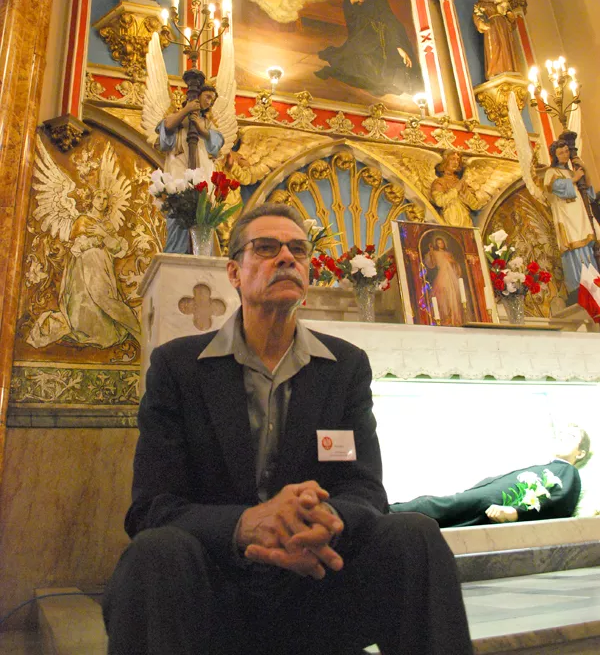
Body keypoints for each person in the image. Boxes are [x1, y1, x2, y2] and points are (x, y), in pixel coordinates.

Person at [103, 203, 473, 655]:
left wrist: (326, 524)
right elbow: (152, 508)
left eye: (298, 249)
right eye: (265, 248)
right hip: (214, 587)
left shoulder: (345, 367)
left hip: (316, 584)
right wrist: (246, 525)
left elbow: (365, 490)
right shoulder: (178, 367)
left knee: (415, 535)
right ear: (234, 273)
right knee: (156, 552)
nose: (286, 257)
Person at [390, 425, 589, 527]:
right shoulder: (548, 467)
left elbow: (560, 504)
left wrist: (515, 512)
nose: (562, 438)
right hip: (490, 497)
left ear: (580, 453)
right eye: (561, 434)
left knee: (437, 506)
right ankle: (386, 516)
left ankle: (383, 512)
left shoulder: (568, 472)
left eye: (571, 437)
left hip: (499, 502)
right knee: (444, 510)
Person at [27, 189, 140, 348]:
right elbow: (76, 247)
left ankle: (106, 329)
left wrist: (103, 234)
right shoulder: (82, 220)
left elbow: (118, 248)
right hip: (83, 267)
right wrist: (94, 243)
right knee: (87, 299)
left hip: (103, 266)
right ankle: (88, 329)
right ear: (91, 199)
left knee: (103, 297)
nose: (101, 201)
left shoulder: (107, 224)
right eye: (98, 197)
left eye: (105, 198)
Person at [316, 0, 421, 97]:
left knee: (367, 61)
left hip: (377, 34)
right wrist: (351, 1)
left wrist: (398, 46)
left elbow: (388, 18)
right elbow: (351, 12)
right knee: (356, 57)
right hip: (363, 33)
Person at [156, 85, 224, 254]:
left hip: (202, 175)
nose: (210, 102)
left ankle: (201, 256)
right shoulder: (177, 120)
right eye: (207, 96)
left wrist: (200, 128)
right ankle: (175, 255)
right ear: (198, 95)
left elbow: (216, 143)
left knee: (202, 223)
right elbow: (166, 130)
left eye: (212, 99)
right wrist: (186, 110)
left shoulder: (208, 124)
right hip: (178, 175)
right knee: (177, 221)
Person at [544, 139, 599, 296]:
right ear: (554, 155)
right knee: (573, 246)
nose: (565, 155)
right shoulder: (551, 172)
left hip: (580, 215)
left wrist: (584, 169)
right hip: (566, 217)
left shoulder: (572, 171)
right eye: (561, 152)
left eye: (566, 151)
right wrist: (574, 179)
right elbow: (554, 187)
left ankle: (594, 281)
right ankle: (578, 286)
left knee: (587, 245)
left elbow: (589, 193)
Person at [472, 0, 520, 78]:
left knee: (506, 45)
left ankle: (509, 68)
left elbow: (510, 18)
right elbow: (476, 16)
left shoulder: (499, 2)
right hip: (492, 26)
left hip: (503, 25)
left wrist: (510, 15)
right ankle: (495, 70)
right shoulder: (480, 4)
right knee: (494, 46)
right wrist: (482, 24)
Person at [430, 150, 485, 227]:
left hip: (466, 223)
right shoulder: (439, 182)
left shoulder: (462, 183)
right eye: (452, 159)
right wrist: (455, 190)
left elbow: (475, 206)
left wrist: (464, 192)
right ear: (446, 161)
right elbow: (439, 202)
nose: (456, 162)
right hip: (449, 221)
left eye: (458, 160)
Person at [424, 236, 466, 325]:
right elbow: (432, 263)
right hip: (442, 274)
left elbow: (455, 265)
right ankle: (445, 317)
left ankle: (454, 317)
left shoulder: (448, 254)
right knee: (442, 294)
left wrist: (452, 262)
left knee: (453, 294)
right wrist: (431, 251)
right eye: (439, 243)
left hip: (451, 275)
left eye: (442, 242)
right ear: (436, 244)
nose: (441, 244)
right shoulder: (435, 253)